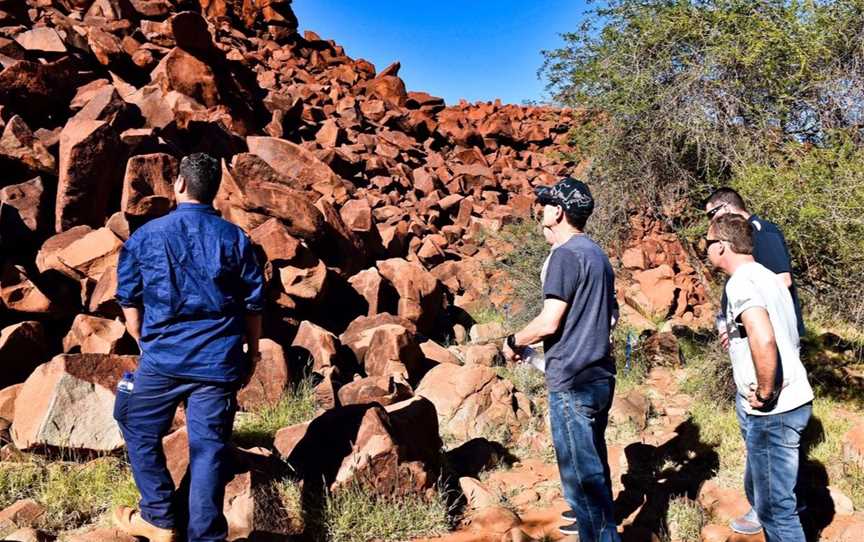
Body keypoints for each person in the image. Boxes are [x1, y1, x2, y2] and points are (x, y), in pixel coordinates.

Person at [112, 153, 264, 542]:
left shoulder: (146, 236)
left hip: (163, 359)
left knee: (137, 424)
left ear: (179, 184)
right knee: (208, 449)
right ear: (214, 190)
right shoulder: (235, 238)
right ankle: (205, 536)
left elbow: (129, 298)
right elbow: (253, 304)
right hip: (218, 360)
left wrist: (144, 341)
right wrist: (253, 351)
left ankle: (159, 517)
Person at [503, 177, 620, 541]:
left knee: (583, 489)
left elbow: (550, 320)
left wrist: (512, 341)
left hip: (573, 387)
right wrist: (540, 358)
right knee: (594, 474)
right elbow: (606, 317)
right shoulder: (596, 255)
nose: (541, 213)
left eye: (546, 206)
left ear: (558, 211)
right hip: (599, 379)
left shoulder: (565, 256)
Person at [705, 213, 813, 542]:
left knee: (775, 511)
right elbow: (788, 335)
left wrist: (767, 392)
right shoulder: (769, 277)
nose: (706, 249)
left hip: (775, 410)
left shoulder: (741, 282)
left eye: (708, 243)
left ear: (722, 247)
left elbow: (763, 338)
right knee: (777, 504)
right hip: (795, 399)